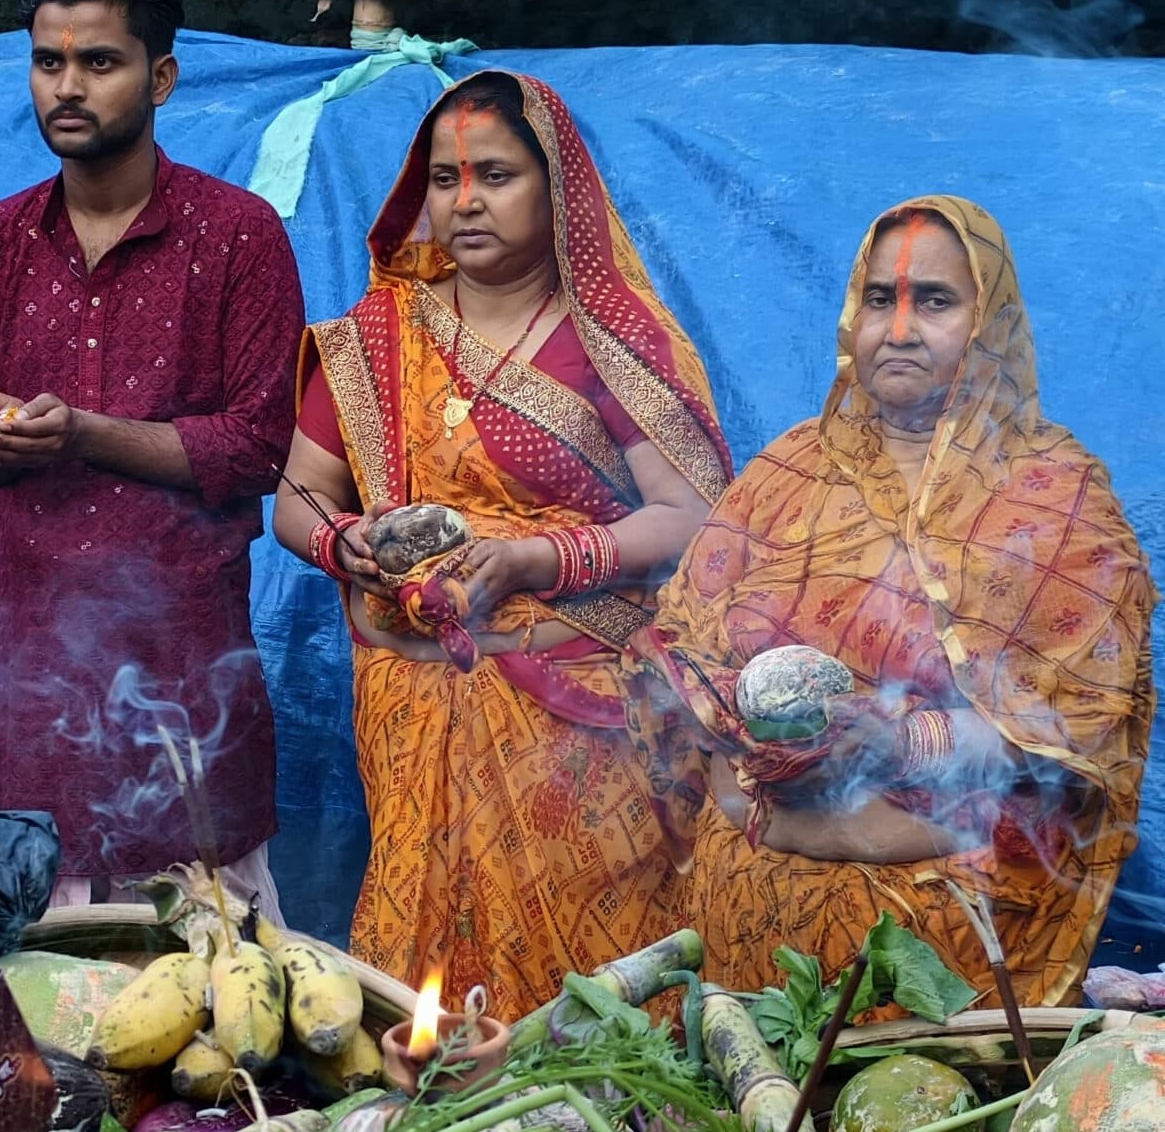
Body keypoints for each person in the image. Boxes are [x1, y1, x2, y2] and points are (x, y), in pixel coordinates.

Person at [274, 71, 732, 1016]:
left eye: (495, 174)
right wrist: (344, 543)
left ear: (555, 188)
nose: (466, 201)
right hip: (415, 703)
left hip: (583, 733)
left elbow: (691, 518)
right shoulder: (380, 335)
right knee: (426, 982)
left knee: (590, 998)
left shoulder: (610, 339)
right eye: (444, 179)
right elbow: (298, 496)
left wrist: (536, 560)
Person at [630, 197, 1154, 1004]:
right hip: (757, 899)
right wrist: (757, 779)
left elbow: (1078, 733)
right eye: (881, 298)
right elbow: (681, 659)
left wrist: (901, 743)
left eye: (934, 301)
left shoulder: (1057, 497)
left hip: (952, 923)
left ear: (991, 322)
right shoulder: (786, 473)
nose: (899, 328)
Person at [0, 0, 303, 907]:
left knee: (215, 991)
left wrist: (83, 432)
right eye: (49, 61)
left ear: (161, 77)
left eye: (101, 61)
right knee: (48, 985)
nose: (68, 86)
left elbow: (259, 446)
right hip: (34, 669)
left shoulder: (239, 235)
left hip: (185, 669)